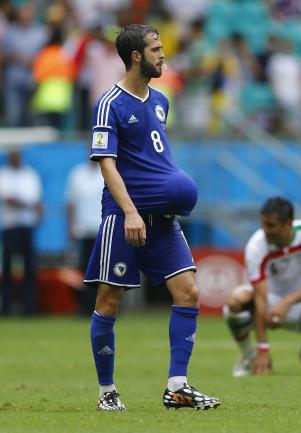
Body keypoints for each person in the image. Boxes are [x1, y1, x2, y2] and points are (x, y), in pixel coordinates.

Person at [83, 24, 220, 411]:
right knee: (109, 301)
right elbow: (106, 165)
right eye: (156, 49)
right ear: (136, 56)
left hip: (163, 219)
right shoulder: (109, 103)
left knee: (189, 292)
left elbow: (154, 159)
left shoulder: (161, 100)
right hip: (125, 217)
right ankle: (107, 392)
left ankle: (178, 387)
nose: (163, 55)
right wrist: (130, 212)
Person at [224, 197, 301, 377]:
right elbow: (260, 297)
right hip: (268, 304)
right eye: (263, 224)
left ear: (288, 224)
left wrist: (287, 302)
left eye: (271, 225)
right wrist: (263, 349)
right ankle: (248, 355)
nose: (265, 230)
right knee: (235, 300)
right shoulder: (256, 246)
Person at [0, 149, 43, 315]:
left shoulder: (30, 174)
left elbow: (36, 200)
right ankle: (5, 307)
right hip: (9, 226)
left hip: (27, 225)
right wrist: (29, 205)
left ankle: (29, 307)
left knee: (29, 268)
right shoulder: (2, 174)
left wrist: (32, 207)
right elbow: (8, 199)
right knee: (7, 268)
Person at [65, 159, 102, 315]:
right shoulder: (77, 174)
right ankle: (87, 306)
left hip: (103, 229)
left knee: (105, 271)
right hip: (84, 230)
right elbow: (70, 202)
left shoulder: (108, 171)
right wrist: (71, 226)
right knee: (86, 270)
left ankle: (106, 305)